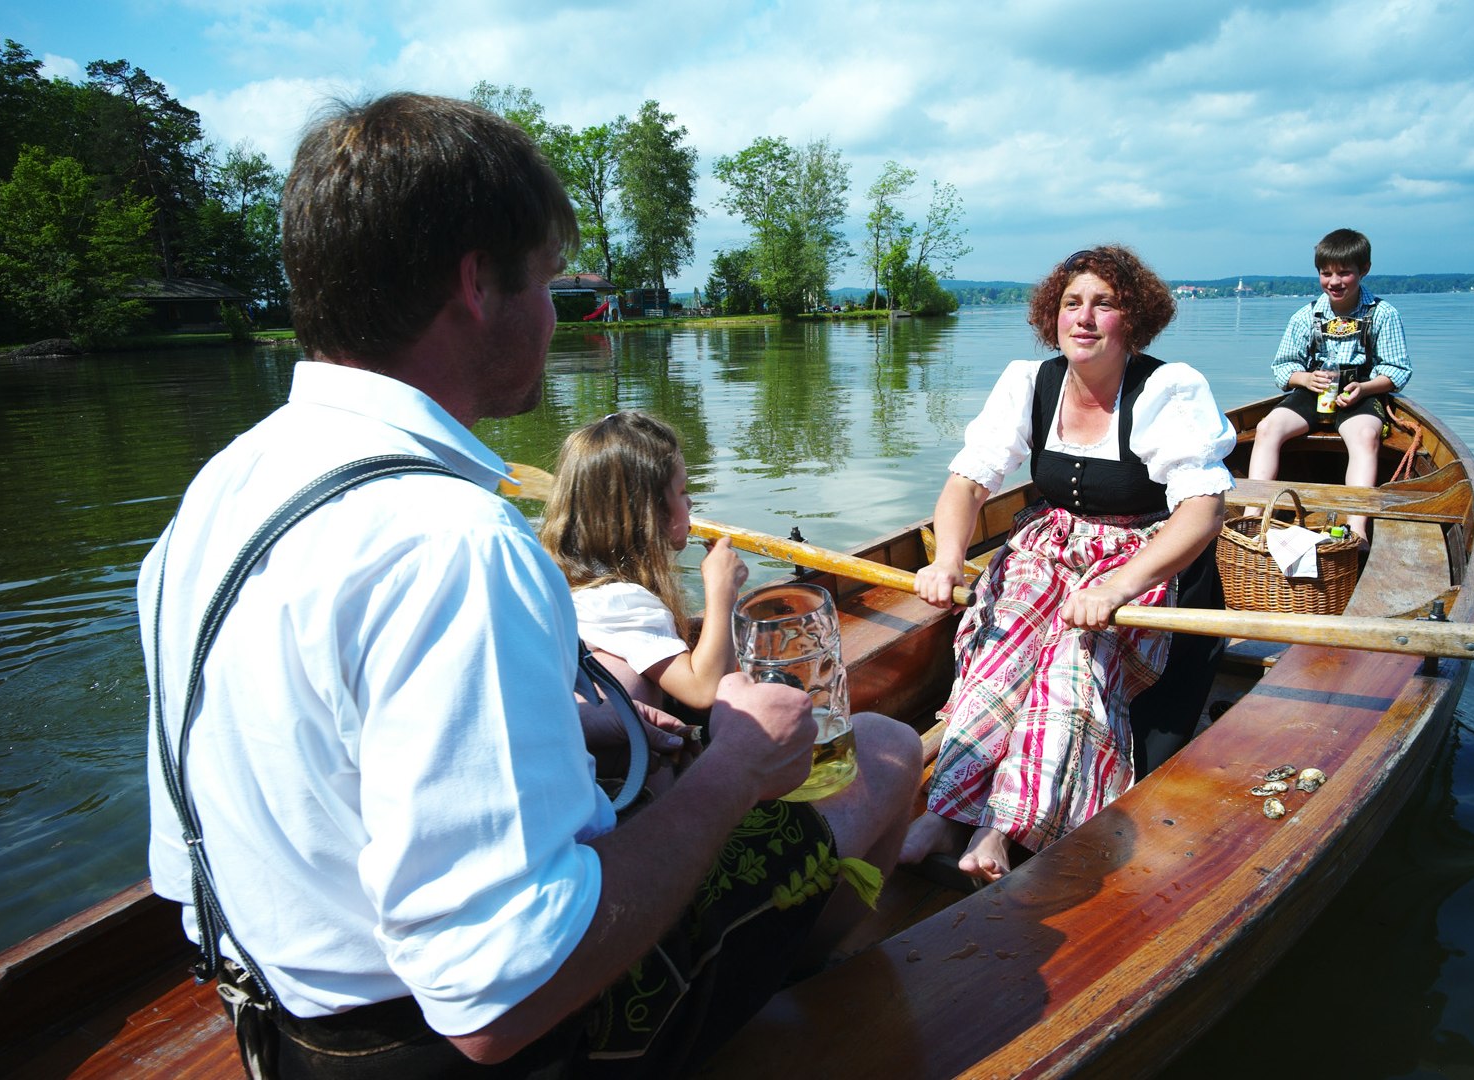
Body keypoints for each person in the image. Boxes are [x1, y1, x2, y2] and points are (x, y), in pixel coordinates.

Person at [139, 93, 921, 1077]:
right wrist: (734, 770)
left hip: (287, 1032)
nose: (556, 319)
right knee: (883, 752)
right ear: (476, 283)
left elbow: (208, 852)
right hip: (480, 1052)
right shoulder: (454, 544)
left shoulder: (218, 495)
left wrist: (587, 726)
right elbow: (498, 1004)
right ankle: (810, 995)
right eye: (549, 283)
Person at [898, 245, 1236, 885]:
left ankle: (1004, 825)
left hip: (1142, 561)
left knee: (1073, 661)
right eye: (1071, 303)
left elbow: (1202, 511)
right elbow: (967, 485)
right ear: (1051, 315)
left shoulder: (1168, 388)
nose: (1083, 318)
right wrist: (946, 560)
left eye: (1103, 305)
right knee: (1000, 648)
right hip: (1049, 549)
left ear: (1132, 320)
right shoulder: (1030, 382)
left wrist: (1116, 587)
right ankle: (946, 811)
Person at [540, 410, 747, 714]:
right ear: (650, 512)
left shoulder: (576, 581)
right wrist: (722, 590)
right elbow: (704, 691)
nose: (690, 502)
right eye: (682, 491)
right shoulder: (617, 600)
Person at [1247, 228, 1413, 542]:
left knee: (1365, 436)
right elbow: (1283, 368)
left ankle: (1357, 531)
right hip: (1313, 391)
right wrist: (1305, 378)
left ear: (1364, 270)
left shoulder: (1383, 314)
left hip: (1361, 393)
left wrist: (1364, 388)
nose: (1334, 282)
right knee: (1267, 428)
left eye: (1344, 273)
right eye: (1326, 273)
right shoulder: (1306, 316)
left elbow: (1397, 371)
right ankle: (1252, 519)